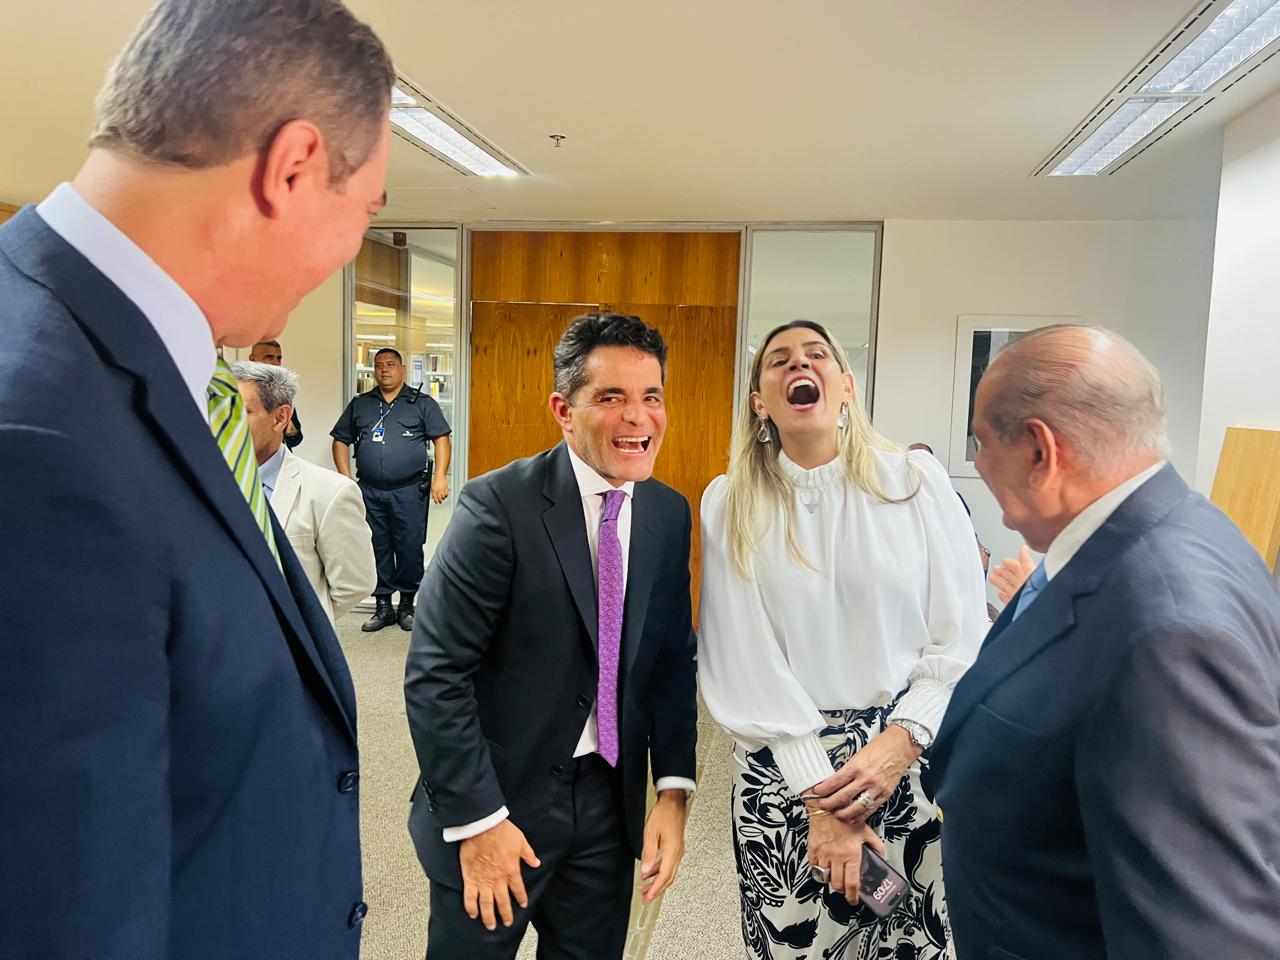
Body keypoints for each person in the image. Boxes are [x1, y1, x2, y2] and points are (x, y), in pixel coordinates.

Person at [0, 1, 392, 955]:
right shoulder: (38, 435)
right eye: (368, 210)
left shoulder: (119, 361)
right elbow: (64, 909)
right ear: (292, 168)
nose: (353, 246)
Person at [932, 325, 1280, 960]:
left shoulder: (1167, 630)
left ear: (1039, 450)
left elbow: (1198, 933)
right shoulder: (1159, 536)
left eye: (981, 442)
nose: (977, 464)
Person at [404, 312, 698, 960]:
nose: (639, 418)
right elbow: (436, 674)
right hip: (499, 798)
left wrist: (673, 792)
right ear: (564, 411)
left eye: (651, 397)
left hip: (608, 804)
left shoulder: (667, 513)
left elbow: (672, 663)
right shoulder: (496, 507)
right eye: (612, 397)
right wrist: (479, 822)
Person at [699, 320, 988, 960]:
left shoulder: (914, 482)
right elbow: (742, 659)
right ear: (759, 401)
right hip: (787, 779)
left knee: (919, 944)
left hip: (909, 764)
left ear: (846, 386)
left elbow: (962, 635)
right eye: (778, 359)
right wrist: (824, 802)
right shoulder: (730, 503)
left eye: (817, 354)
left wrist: (898, 746)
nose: (799, 364)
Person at [233, 360, 376, 622]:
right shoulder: (196, 484)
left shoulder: (329, 492)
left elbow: (354, 584)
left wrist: (299, 623)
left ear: (280, 418)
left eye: (240, 411)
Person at [331, 347, 451, 632]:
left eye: (390, 364)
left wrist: (440, 477)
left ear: (402, 369)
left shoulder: (422, 403)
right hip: (370, 491)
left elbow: (442, 439)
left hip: (409, 490)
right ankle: (383, 606)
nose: (384, 369)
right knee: (376, 546)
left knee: (409, 547)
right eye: (379, 365)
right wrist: (347, 479)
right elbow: (340, 440)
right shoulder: (361, 404)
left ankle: (407, 604)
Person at [249, 338, 304, 449]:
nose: (275, 363)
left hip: (280, 456)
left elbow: (296, 439)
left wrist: (291, 429)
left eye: (278, 358)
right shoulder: (241, 389)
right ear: (253, 359)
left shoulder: (283, 391)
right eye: (269, 357)